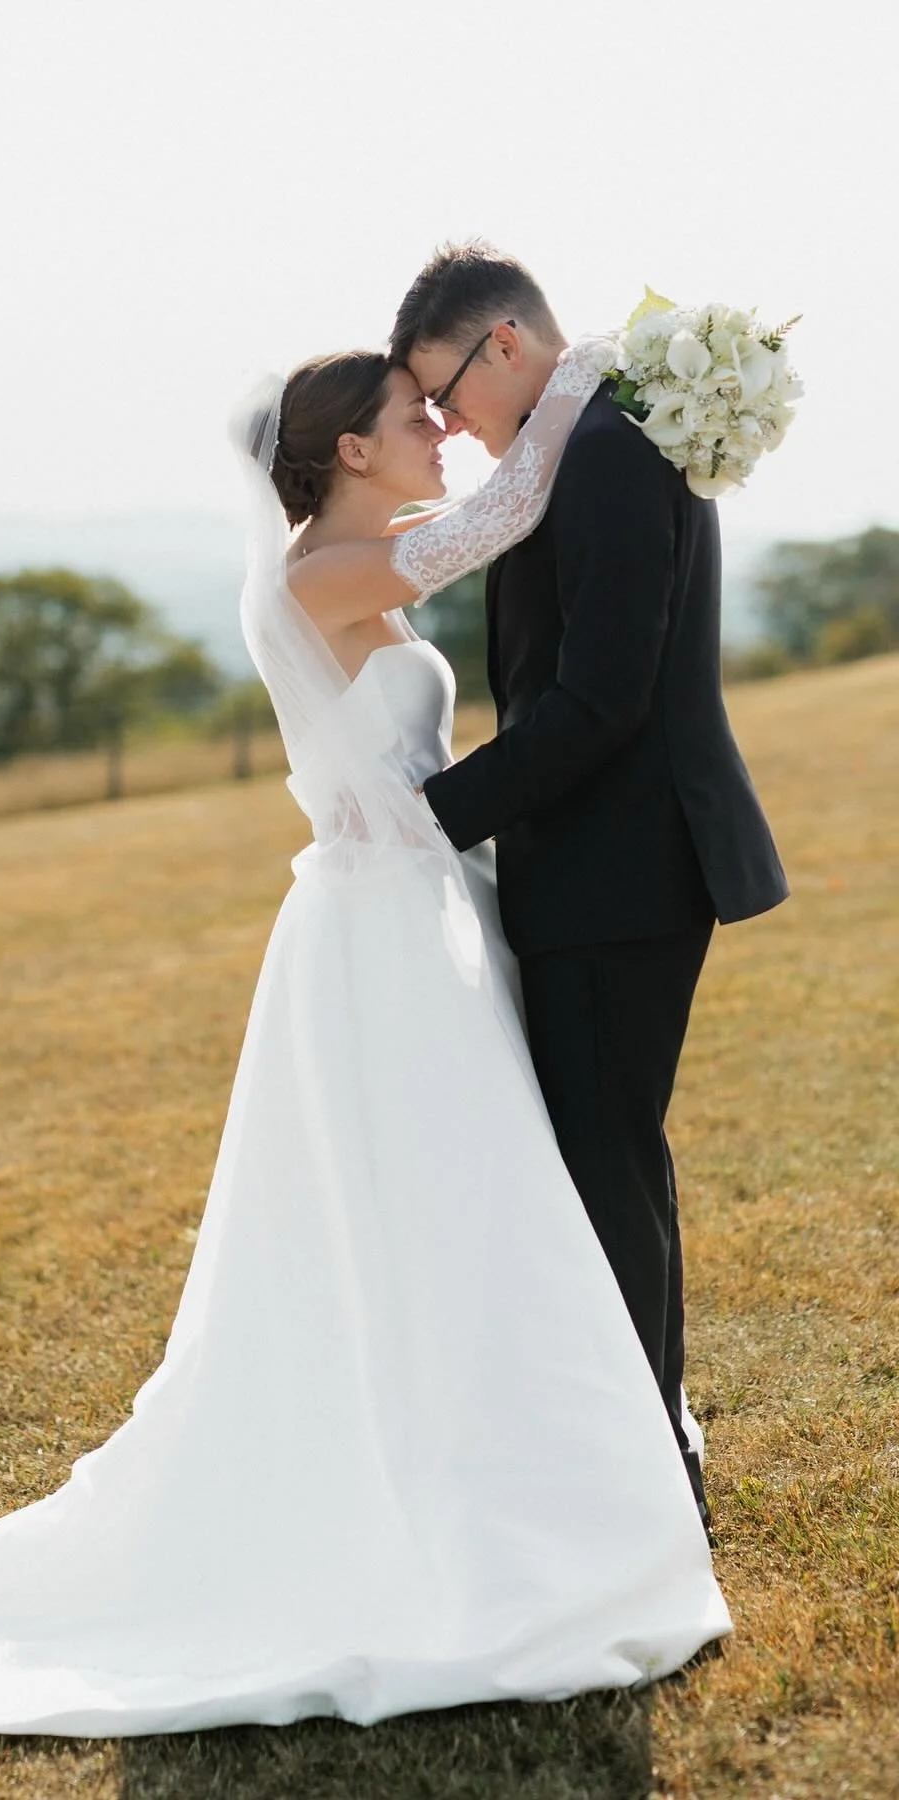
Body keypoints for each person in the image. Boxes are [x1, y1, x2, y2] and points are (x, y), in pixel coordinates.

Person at [0, 335, 731, 1737]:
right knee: (432, 1202)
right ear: (348, 451)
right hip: (378, 938)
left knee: (470, 1209)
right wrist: (595, 381)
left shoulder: (362, 546)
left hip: (428, 915)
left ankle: (524, 1460)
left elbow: (480, 527)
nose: (440, 428)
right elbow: (501, 516)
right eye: (412, 413)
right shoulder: (320, 575)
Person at [388, 243, 790, 1532]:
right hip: (597, 865)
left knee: (606, 1159)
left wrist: (430, 817)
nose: (445, 422)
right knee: (612, 1154)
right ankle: (647, 1439)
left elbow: (602, 699)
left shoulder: (611, 447)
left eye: (444, 390)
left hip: (627, 864)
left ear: (502, 343)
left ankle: (649, 1477)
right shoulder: (582, 439)